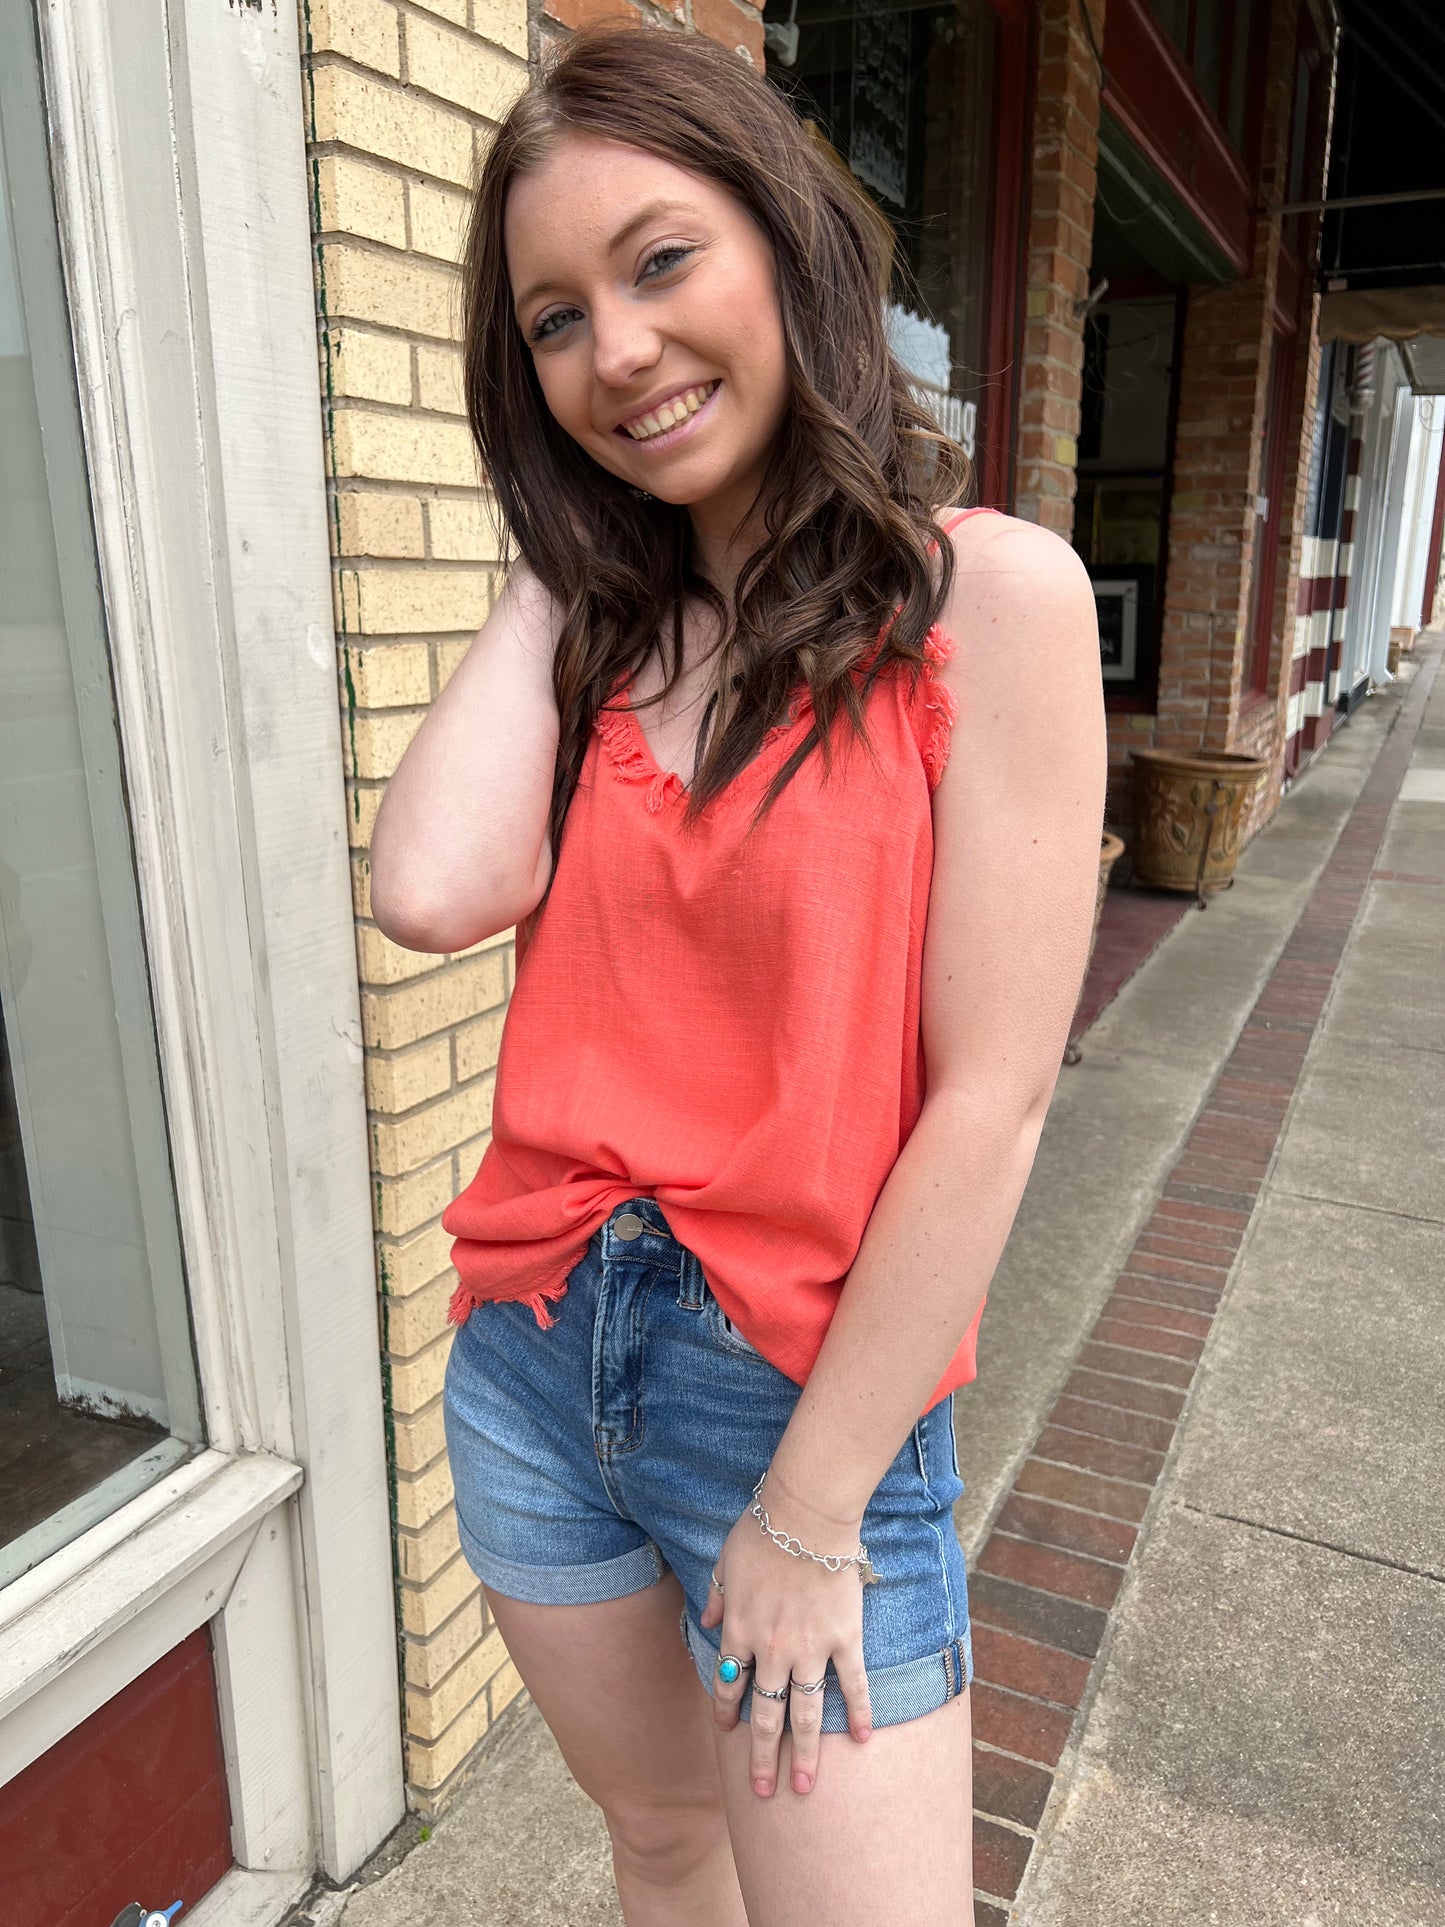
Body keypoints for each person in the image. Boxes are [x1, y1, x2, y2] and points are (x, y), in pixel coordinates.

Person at [368, 25, 1106, 1925]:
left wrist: (812, 1508)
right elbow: (433, 891)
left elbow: (991, 1097)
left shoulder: (988, 603)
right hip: (534, 1356)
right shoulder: (599, 639)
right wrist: (558, 541)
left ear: (785, 240)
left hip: (793, 1389)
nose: (613, 350)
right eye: (550, 322)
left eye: (660, 261)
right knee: (659, 1845)